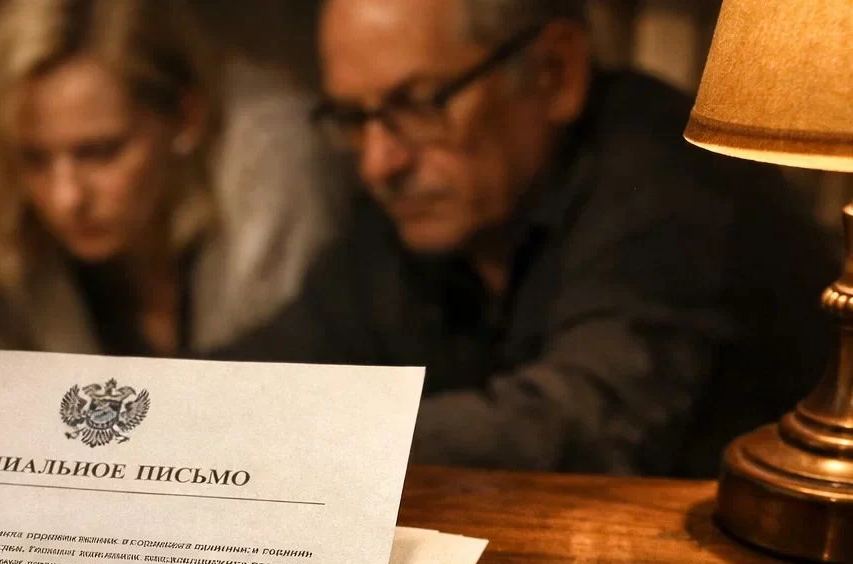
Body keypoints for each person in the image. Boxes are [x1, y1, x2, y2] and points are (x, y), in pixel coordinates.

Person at [224, 0, 838, 476]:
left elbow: (587, 424)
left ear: (553, 72)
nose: (378, 163)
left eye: (420, 103)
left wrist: (301, 435)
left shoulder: (671, 181)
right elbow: (273, 359)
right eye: (355, 119)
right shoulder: (421, 206)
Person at [0, 0, 345, 357]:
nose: (67, 198)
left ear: (186, 118)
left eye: (101, 152)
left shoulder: (269, 167)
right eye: (33, 159)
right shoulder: (13, 239)